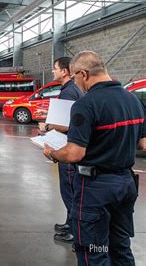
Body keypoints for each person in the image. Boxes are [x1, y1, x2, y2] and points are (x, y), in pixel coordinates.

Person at [43, 51, 145, 265]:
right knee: (120, 248)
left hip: (96, 189)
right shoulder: (133, 99)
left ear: (83, 74)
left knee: (93, 251)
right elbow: (144, 143)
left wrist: (53, 153)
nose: (76, 83)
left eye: (75, 77)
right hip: (126, 184)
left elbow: (74, 153)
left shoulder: (87, 104)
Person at [39, 57, 83, 244]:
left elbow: (66, 125)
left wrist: (47, 127)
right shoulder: (70, 89)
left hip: (67, 147)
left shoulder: (69, 92)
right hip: (67, 145)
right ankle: (70, 222)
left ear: (65, 71)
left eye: (55, 68)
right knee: (70, 190)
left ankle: (74, 231)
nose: (53, 71)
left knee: (69, 191)